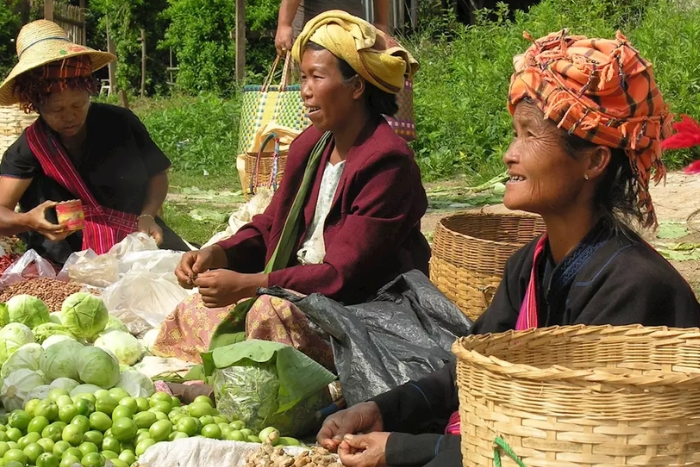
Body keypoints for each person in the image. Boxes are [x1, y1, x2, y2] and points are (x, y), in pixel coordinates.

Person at [314, 29, 700, 467]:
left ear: (593, 161)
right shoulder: (530, 266)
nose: (509, 155)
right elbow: (473, 372)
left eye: (529, 135)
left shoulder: (631, 287)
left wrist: (402, 449)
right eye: (514, 134)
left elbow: (567, 441)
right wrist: (381, 410)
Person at [153, 11, 429, 366]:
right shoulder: (310, 146)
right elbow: (273, 224)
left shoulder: (386, 162)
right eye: (303, 77)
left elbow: (343, 274)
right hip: (296, 287)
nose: (305, 90)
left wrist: (253, 284)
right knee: (194, 312)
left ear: (357, 86)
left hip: (365, 306)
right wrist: (217, 254)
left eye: (317, 77)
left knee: (267, 316)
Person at [0, 20, 189, 266]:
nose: (69, 116)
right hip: (68, 259)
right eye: (56, 109)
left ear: (89, 93)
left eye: (78, 104)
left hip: (136, 243)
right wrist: (29, 221)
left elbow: (157, 174)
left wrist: (148, 215)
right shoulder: (29, 147)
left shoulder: (120, 123)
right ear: (35, 106)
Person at [275, 0, 390, 56]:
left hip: (352, 26)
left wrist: (381, 24)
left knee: (352, 86)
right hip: (313, 27)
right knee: (309, 87)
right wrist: (284, 24)